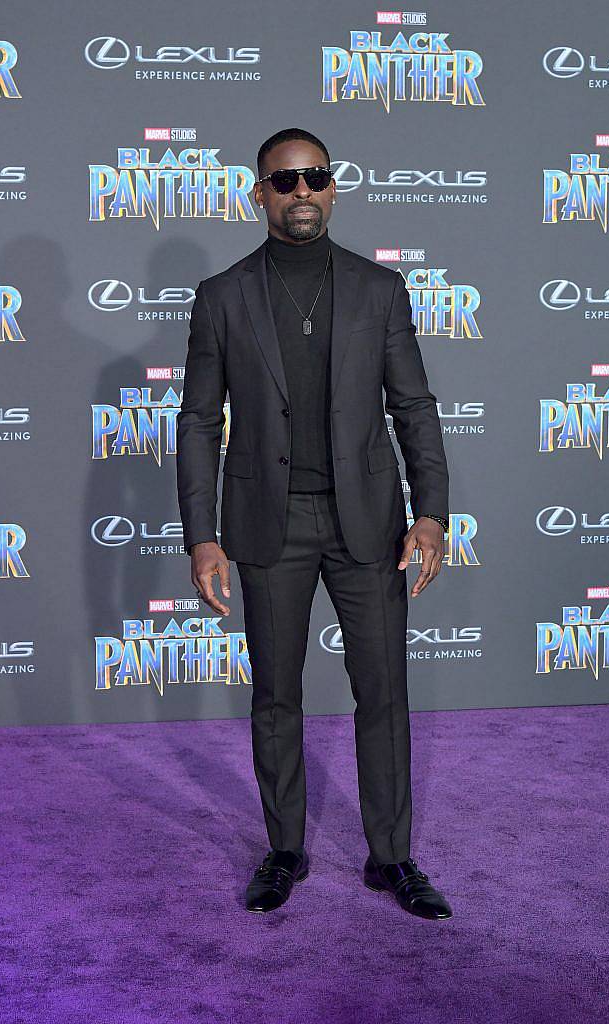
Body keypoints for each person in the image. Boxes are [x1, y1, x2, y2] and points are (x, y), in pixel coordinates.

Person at [176, 127, 452, 920]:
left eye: (315, 178)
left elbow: (414, 409)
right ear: (257, 193)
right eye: (285, 180)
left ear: (333, 189)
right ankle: (284, 848)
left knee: (384, 694)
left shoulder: (379, 288)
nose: (302, 192)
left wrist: (430, 514)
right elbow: (198, 421)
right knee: (275, 697)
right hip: (268, 525)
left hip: (368, 523)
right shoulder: (222, 296)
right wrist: (201, 534)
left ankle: (391, 858)